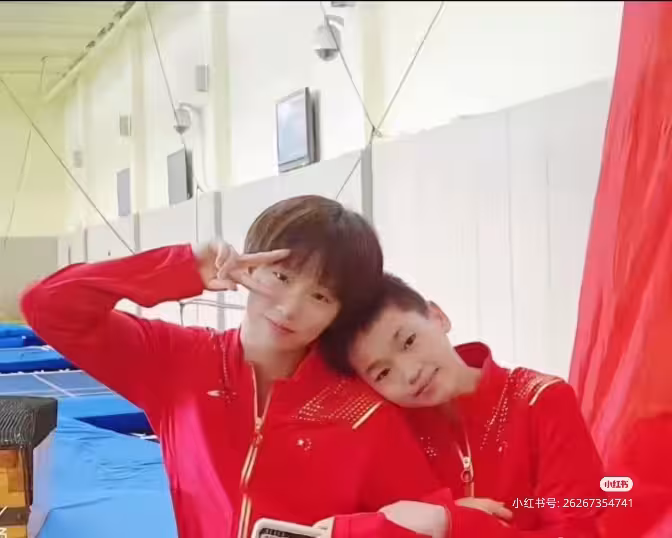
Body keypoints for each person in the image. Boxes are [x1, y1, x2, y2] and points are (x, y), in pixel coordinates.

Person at [21, 196, 449, 538]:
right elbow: (49, 306)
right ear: (251, 266)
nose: (289, 308)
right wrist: (183, 268)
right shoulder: (175, 362)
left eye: (320, 296)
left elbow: (427, 517)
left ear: (339, 313)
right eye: (281, 277)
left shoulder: (364, 410)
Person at [326, 273, 605, 537]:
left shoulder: (542, 400)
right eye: (383, 373)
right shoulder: (387, 433)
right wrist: (441, 512)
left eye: (409, 341)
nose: (410, 373)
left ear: (438, 317)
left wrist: (449, 522)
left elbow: (576, 532)